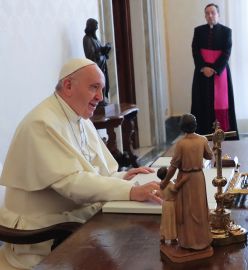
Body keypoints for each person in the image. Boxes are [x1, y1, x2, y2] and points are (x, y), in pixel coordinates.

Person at [0, 58, 162, 269]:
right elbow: (71, 182)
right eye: (94, 87)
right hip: (45, 236)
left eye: (101, 89)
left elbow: (93, 171)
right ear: (68, 86)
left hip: (75, 221)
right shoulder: (41, 123)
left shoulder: (80, 118)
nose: (100, 97)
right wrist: (131, 190)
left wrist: (124, 177)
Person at [159, 114, 213, 250]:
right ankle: (203, 239)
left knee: (188, 210)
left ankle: (189, 241)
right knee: (200, 208)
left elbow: (173, 167)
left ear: (182, 127)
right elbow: (209, 155)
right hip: (198, 178)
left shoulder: (181, 144)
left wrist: (165, 181)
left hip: (185, 178)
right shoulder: (203, 140)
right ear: (195, 125)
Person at [191, 3, 239, 139]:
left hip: (220, 73)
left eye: (213, 13)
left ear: (218, 14)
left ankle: (224, 134)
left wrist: (214, 68)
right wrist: (203, 67)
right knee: (202, 102)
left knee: (221, 103)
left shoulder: (226, 31)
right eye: (207, 13)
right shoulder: (198, 31)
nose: (210, 15)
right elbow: (195, 50)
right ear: (205, 16)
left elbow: (226, 52)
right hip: (202, 74)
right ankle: (202, 134)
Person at [83, 18, 112, 104]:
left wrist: (105, 48)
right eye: (95, 28)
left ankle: (103, 99)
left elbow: (99, 50)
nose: (96, 29)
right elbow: (90, 56)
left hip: (102, 65)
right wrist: (101, 53)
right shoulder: (87, 39)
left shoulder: (95, 38)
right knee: (98, 84)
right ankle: (99, 101)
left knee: (105, 83)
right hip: (97, 67)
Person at [156, 166, 177, 244]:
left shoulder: (161, 184)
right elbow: (175, 190)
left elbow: (159, 193)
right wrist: (177, 182)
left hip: (165, 204)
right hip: (171, 204)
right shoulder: (169, 184)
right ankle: (172, 237)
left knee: (165, 221)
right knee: (171, 221)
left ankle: (163, 236)